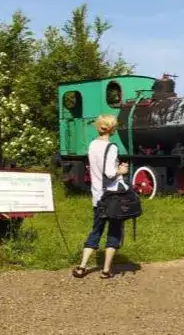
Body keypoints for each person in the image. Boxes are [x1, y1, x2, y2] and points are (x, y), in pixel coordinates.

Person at [72, 114, 130, 279]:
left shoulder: (92, 145)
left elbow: (98, 168)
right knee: (114, 232)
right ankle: (106, 270)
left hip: (98, 195)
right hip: (113, 196)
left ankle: (82, 267)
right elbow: (110, 173)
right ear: (113, 129)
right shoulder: (111, 147)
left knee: (96, 230)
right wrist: (122, 170)